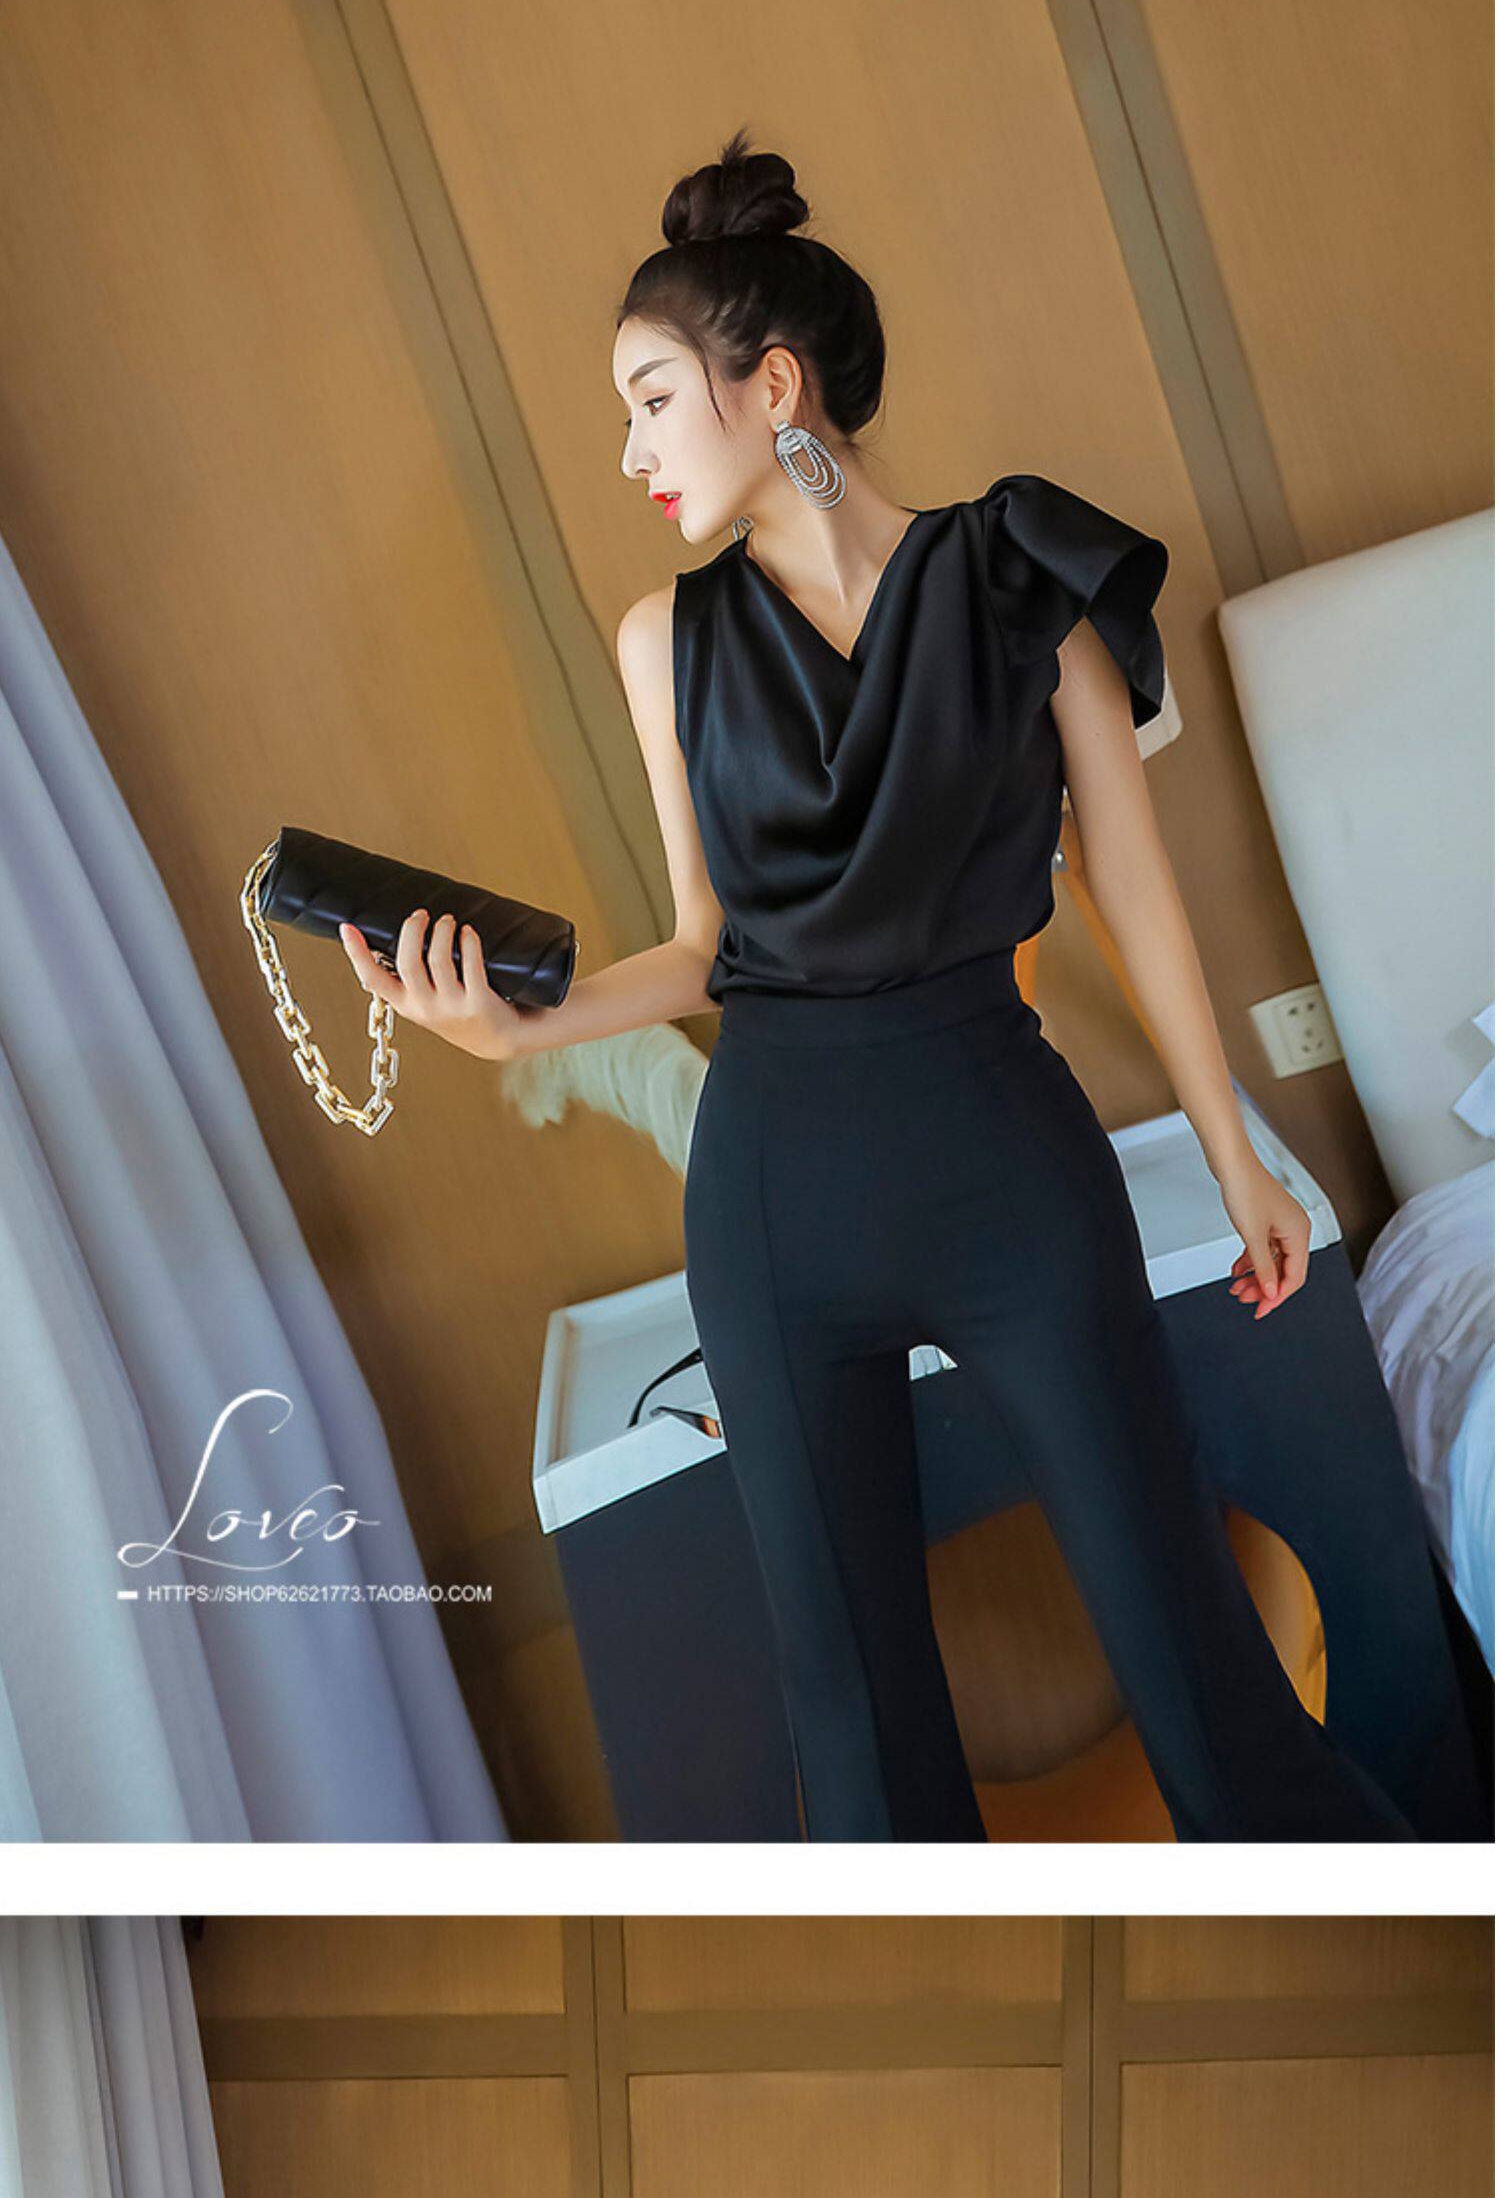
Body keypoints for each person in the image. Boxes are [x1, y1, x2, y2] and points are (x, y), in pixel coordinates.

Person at [339, 127, 1416, 1843]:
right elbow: (702, 944)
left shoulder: (1026, 584)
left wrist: (1236, 1157)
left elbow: (1131, 889)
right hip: (777, 1202)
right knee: (861, 1733)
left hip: (1013, 1170)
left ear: (773, 389)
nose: (629, 452)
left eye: (651, 400)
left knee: (1199, 1658)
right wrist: (508, 1022)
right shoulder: (665, 642)